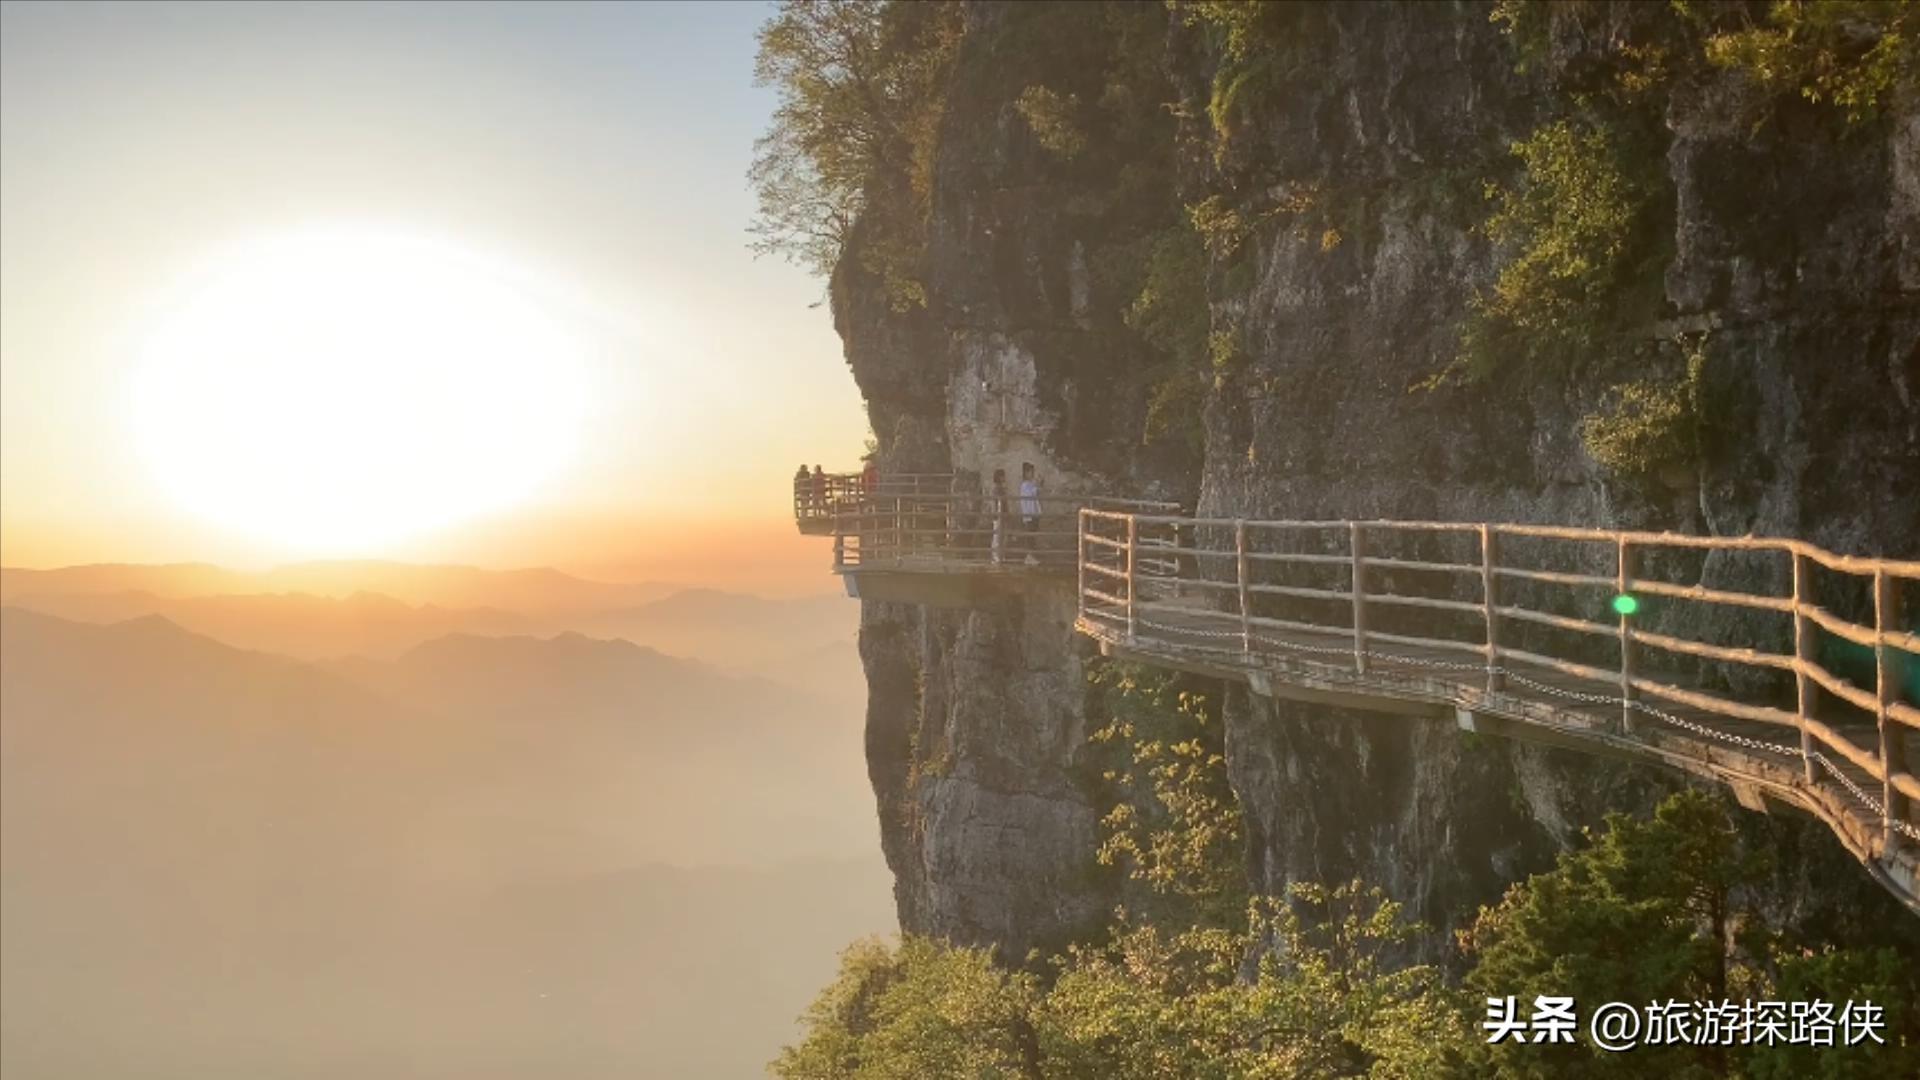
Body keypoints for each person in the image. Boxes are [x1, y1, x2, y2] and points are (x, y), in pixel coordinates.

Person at [1019, 462, 1042, 566]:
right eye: (1031, 472)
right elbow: (1033, 493)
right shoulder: (1024, 485)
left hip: (1034, 513)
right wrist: (1039, 483)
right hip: (1029, 514)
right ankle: (1029, 556)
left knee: (1033, 535)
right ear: (1026, 473)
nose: (1032, 474)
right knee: (1030, 536)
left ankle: (1031, 556)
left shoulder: (1030, 484)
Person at [989, 468, 1008, 565]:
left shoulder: (1001, 488)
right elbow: (994, 502)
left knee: (1002, 536)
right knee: (997, 536)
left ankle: (1000, 555)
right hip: (998, 514)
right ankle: (996, 557)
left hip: (1002, 514)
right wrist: (996, 513)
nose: (1005, 478)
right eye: (1003, 476)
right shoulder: (996, 489)